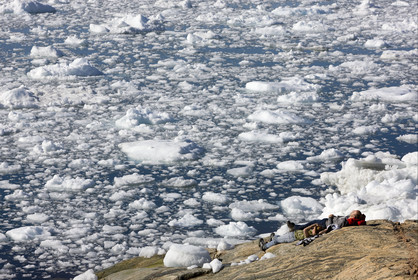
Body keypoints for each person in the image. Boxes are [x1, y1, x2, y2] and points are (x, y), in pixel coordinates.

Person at [259, 223, 327, 251]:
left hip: (292, 237)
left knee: (276, 241)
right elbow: (323, 231)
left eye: (316, 228)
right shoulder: (314, 233)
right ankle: (273, 238)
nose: (314, 228)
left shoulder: (310, 234)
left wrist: (313, 225)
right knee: (279, 237)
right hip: (292, 234)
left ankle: (264, 246)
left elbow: (305, 229)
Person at [287, 210, 366, 232]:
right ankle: (295, 228)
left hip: (324, 224)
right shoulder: (351, 219)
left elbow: (331, 226)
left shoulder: (345, 222)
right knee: (309, 225)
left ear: (353, 215)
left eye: (352, 213)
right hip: (325, 221)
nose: (350, 213)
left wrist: (330, 217)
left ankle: (294, 228)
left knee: (308, 225)